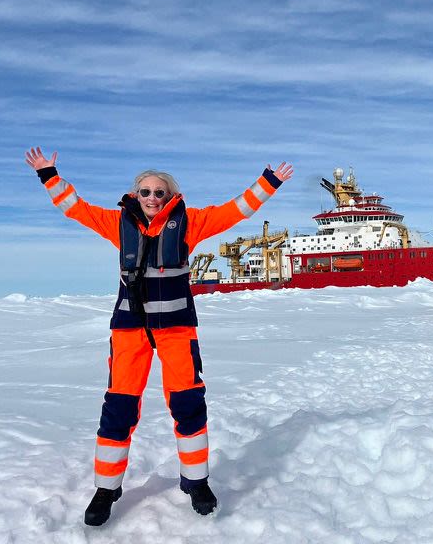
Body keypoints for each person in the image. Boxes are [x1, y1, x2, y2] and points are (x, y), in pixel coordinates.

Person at [25, 147, 293, 525]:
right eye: (146, 192)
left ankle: (196, 482)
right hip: (130, 331)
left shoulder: (191, 223)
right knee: (118, 409)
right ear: (135, 195)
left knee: (187, 405)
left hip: (176, 331)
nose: (152, 197)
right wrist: (48, 174)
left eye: (160, 192)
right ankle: (106, 488)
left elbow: (237, 210)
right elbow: (75, 207)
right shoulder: (118, 223)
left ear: (171, 197)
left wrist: (269, 182)